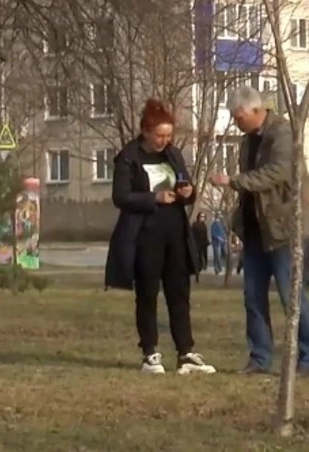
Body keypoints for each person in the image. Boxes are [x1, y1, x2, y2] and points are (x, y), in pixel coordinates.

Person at [105, 98, 216, 375]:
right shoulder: (129, 157)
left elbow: (186, 182)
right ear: (146, 131)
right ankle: (150, 353)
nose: (164, 141)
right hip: (145, 235)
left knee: (179, 293)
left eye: (168, 136)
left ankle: (186, 352)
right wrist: (153, 197)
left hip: (176, 233)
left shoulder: (173, 154)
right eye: (159, 135)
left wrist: (189, 192)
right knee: (148, 294)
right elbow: (120, 196)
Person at [209, 86, 309, 374]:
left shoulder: (283, 133)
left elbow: (278, 171)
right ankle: (260, 358)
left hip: (283, 230)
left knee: (292, 297)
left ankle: (307, 357)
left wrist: (234, 180)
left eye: (238, 117)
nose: (236, 122)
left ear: (256, 111)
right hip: (255, 232)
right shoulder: (246, 142)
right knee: (253, 297)